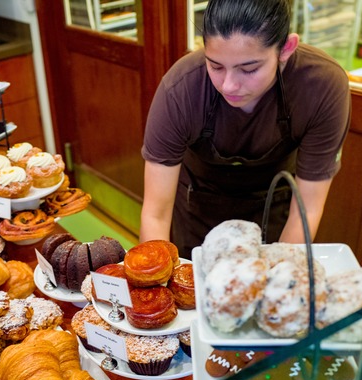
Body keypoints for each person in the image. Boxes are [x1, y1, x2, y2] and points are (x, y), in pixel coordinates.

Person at [139, 0, 350, 258]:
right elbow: (155, 214)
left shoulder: (321, 87)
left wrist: (278, 278)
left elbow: (307, 209)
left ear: (286, 48)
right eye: (215, 66)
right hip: (198, 208)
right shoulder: (181, 89)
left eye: (249, 69)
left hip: (275, 211)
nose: (228, 85)